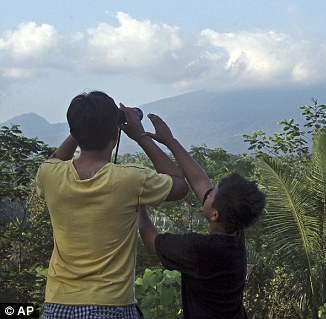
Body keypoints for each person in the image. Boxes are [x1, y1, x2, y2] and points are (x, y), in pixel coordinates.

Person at [35, 91, 189, 318]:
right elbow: (179, 185)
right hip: (111, 306)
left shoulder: (49, 174)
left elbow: (55, 159)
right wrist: (141, 137)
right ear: (116, 134)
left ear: (74, 131)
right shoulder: (130, 180)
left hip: (57, 305)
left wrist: (81, 129)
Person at [137, 113, 266, 319]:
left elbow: (151, 240)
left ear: (215, 214)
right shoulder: (234, 233)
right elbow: (199, 181)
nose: (209, 189)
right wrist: (170, 141)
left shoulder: (200, 250)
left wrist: (138, 200)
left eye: (214, 191)